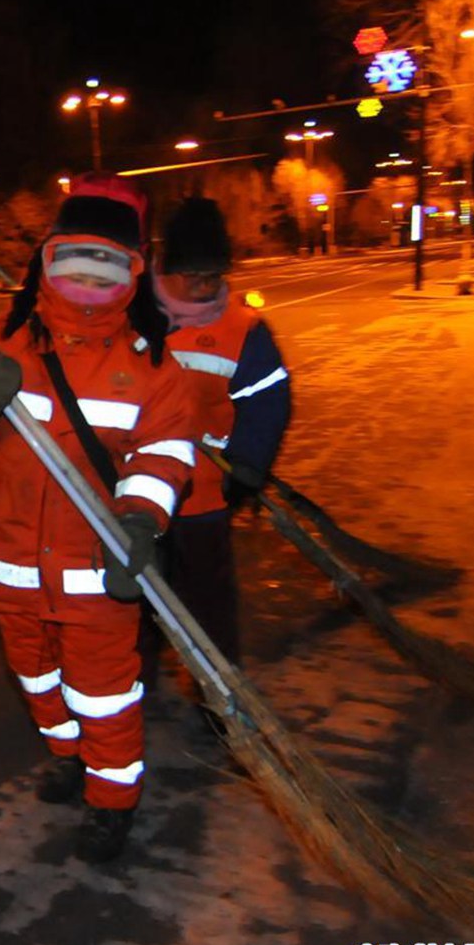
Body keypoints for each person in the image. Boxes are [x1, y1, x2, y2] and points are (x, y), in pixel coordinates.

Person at [0, 173, 195, 863]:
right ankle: (66, 754)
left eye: (106, 264)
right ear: (47, 260)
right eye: (72, 260)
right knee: (36, 676)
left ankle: (113, 802)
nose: (86, 279)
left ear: (133, 274)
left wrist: (140, 521)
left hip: (95, 570)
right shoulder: (2, 337)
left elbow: (165, 454)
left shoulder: (151, 363)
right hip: (12, 565)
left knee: (103, 691)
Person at [151, 196, 292, 666]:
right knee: (135, 596)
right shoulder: (130, 317)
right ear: (165, 268)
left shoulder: (243, 330)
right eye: (192, 275)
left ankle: (218, 695)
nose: (203, 287)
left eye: (212, 276)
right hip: (129, 492)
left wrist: (249, 462)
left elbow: (268, 400)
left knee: (207, 598)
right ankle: (135, 681)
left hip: (203, 494)